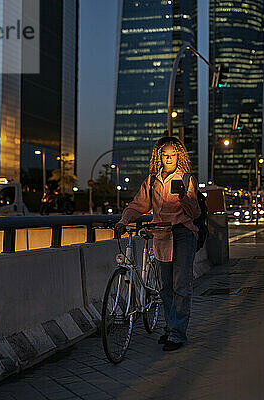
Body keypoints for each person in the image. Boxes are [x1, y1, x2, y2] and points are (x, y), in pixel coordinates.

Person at [115, 136, 201, 351]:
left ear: (178, 156)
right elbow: (138, 205)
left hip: (183, 234)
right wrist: (124, 220)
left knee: (181, 286)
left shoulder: (187, 179)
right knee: (166, 287)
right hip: (161, 235)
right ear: (159, 157)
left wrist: (183, 197)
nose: (169, 159)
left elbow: (195, 212)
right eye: (165, 155)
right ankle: (171, 328)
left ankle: (177, 334)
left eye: (173, 155)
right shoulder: (151, 180)